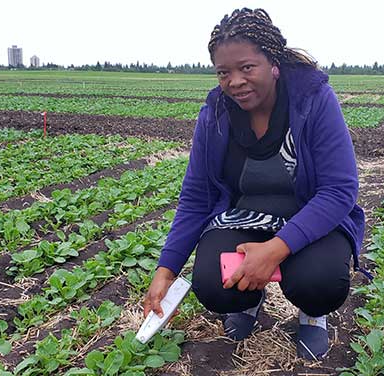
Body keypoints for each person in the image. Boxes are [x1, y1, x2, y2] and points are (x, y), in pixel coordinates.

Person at [143, 7, 364, 360]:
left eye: (247, 68)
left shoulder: (313, 101)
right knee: (212, 285)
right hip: (244, 218)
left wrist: (274, 250)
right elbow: (197, 197)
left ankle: (312, 313)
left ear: (273, 64)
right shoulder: (215, 114)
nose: (235, 82)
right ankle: (247, 302)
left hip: (310, 217)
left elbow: (339, 191)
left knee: (319, 281)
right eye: (224, 73)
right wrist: (165, 271)